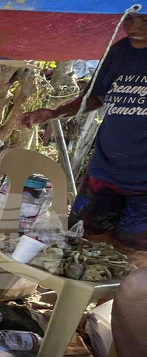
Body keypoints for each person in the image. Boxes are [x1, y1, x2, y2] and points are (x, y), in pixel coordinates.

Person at [21, 13, 147, 253]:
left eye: (146, 20)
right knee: (83, 241)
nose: (134, 27)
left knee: (135, 253)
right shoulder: (120, 51)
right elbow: (94, 98)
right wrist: (54, 113)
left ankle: (119, 292)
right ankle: (80, 291)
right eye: (130, 19)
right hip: (105, 171)